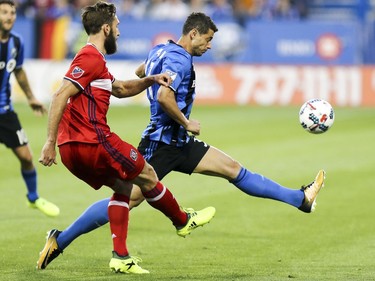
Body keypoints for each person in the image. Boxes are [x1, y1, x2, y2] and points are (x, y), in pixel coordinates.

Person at [37, 11, 325, 271]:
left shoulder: (160, 49)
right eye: (207, 40)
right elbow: (164, 97)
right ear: (193, 34)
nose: (209, 46)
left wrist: (151, 77)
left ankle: (300, 199)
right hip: (160, 142)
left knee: (234, 169)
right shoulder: (179, 59)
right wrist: (186, 121)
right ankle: (61, 239)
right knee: (126, 198)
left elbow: (141, 72)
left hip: (178, 142)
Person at [37, 2, 215, 274]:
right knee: (148, 174)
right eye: (117, 26)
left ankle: (119, 256)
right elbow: (60, 94)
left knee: (123, 188)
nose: (119, 31)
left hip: (71, 150)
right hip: (93, 141)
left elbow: (118, 89)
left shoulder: (97, 63)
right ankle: (182, 220)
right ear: (106, 28)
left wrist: (150, 79)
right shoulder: (89, 57)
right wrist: (48, 141)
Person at [0, 0, 59, 217]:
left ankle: (33, 198)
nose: (9, 17)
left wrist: (31, 97)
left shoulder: (16, 42)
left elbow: (19, 71)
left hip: (5, 113)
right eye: (4, 12)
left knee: (26, 157)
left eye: (12, 13)